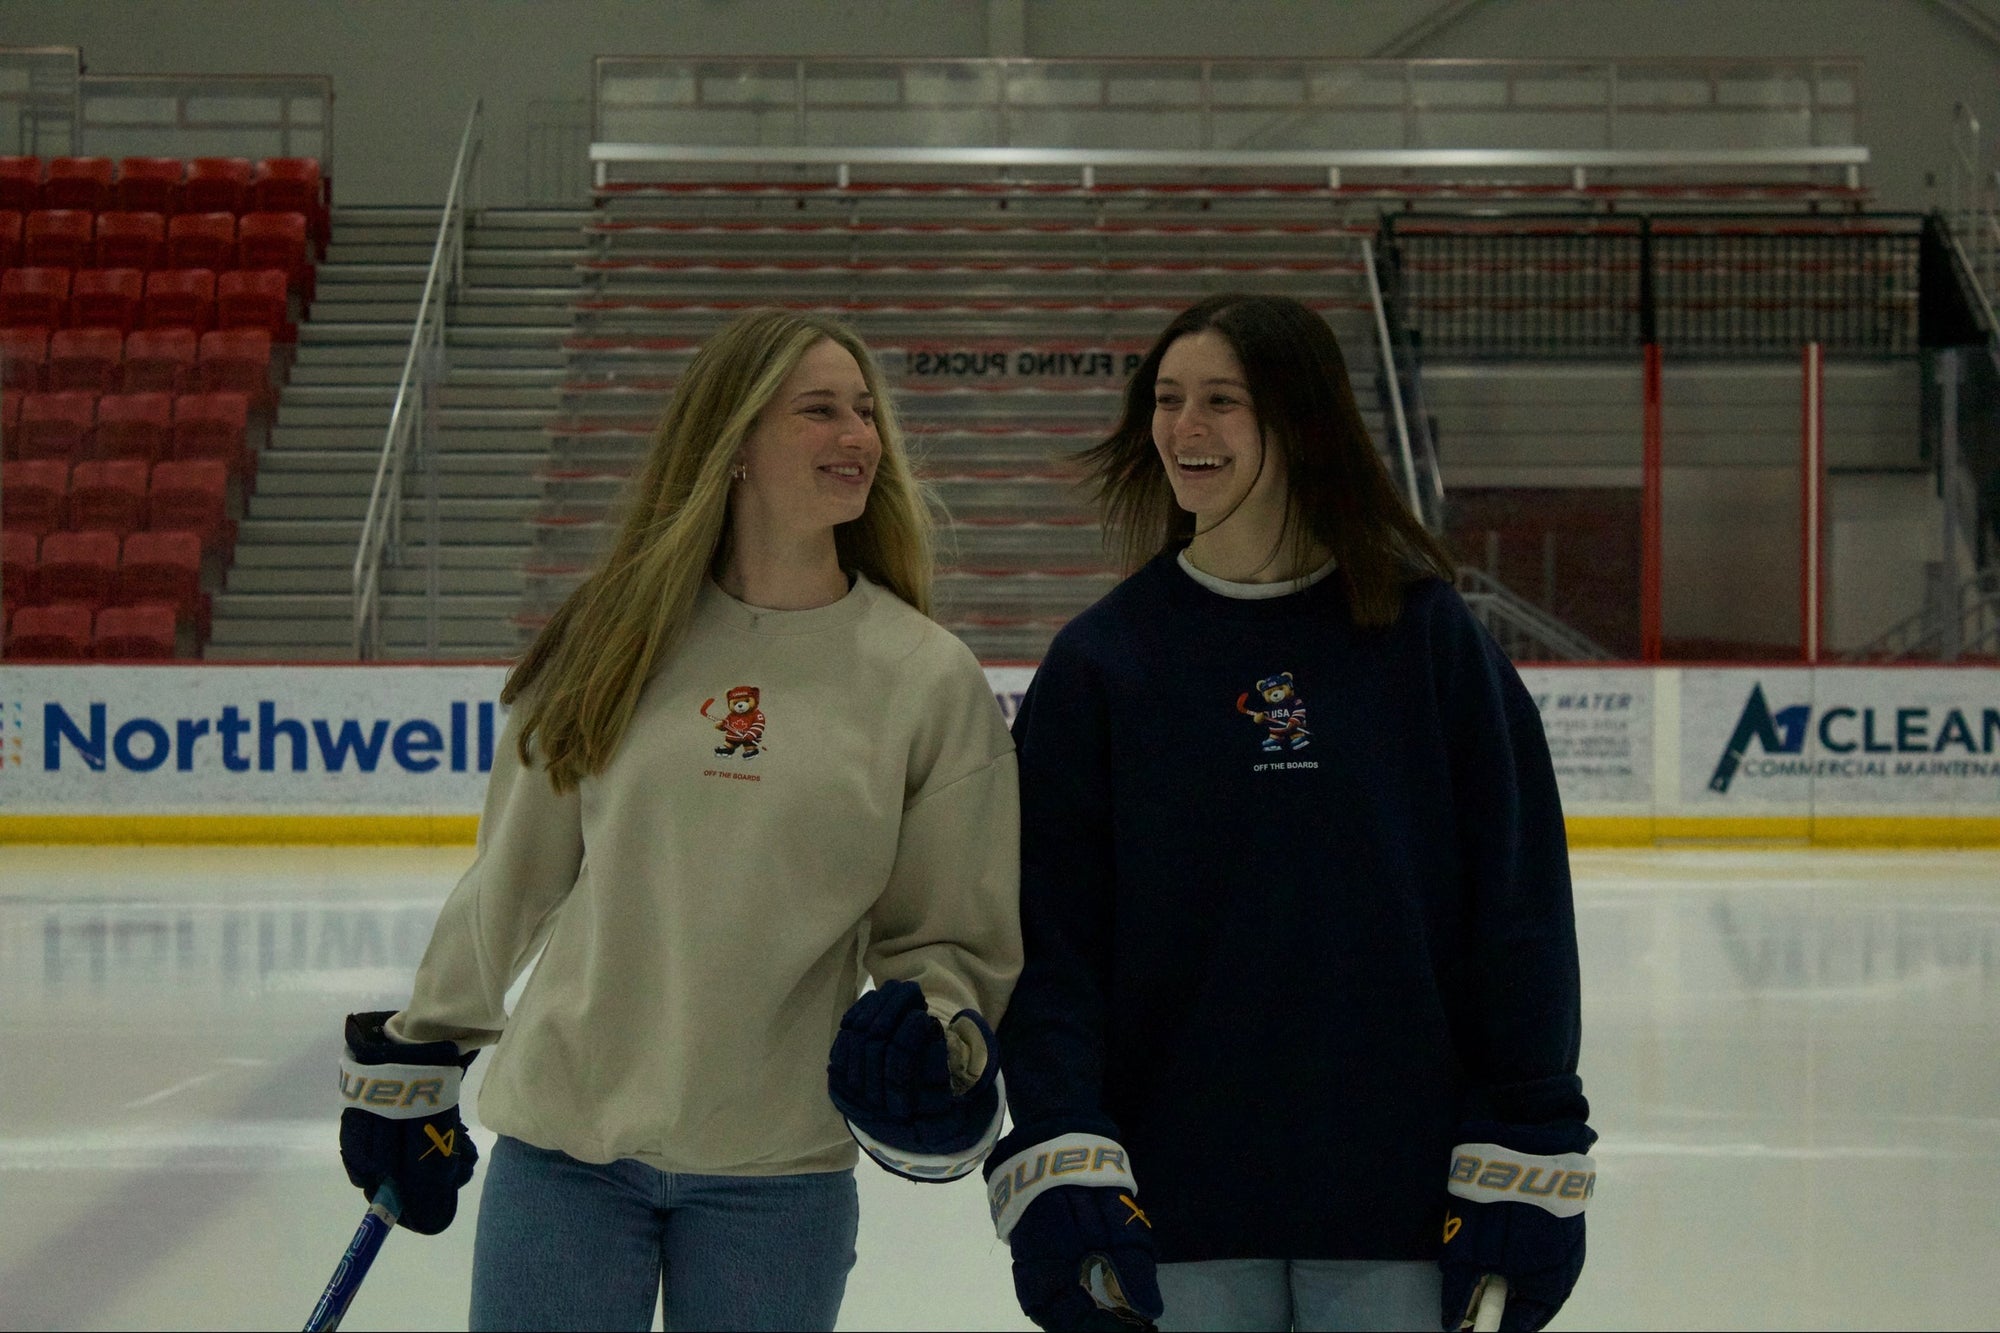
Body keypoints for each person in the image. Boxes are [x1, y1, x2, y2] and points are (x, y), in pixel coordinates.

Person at [334, 308, 1022, 1332]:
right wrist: (422, 1050)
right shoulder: (616, 637)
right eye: (819, 411)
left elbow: (946, 933)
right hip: (566, 1152)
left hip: (774, 1172)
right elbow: (512, 877)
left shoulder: (926, 679)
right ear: (734, 441)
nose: (859, 438)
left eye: (866, 414)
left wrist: (937, 1040)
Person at [985, 293, 1594, 1333]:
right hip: (1171, 1210)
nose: (1185, 429)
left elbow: (1517, 913)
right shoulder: (1101, 663)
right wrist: (1060, 1144)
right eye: (1167, 399)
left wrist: (1525, 1138)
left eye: (1221, 400)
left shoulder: (1427, 641)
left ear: (1300, 419)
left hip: (1398, 1207)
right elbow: (1053, 943)